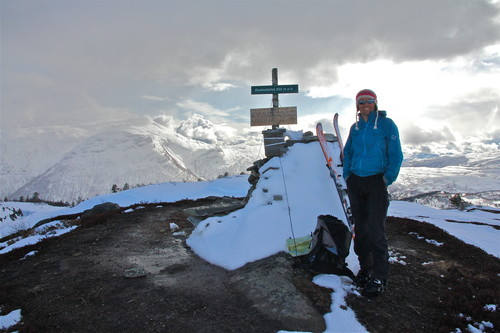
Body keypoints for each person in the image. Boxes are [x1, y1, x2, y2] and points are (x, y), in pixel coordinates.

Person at [343, 89, 403, 297]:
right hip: (356, 182)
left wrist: (387, 179)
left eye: (369, 101)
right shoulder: (356, 127)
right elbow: (348, 152)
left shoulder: (387, 124)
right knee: (360, 230)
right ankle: (365, 269)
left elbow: (396, 154)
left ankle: (380, 275)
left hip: (376, 182)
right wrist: (347, 175)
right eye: (361, 102)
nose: (365, 104)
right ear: (357, 105)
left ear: (375, 103)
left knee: (376, 231)